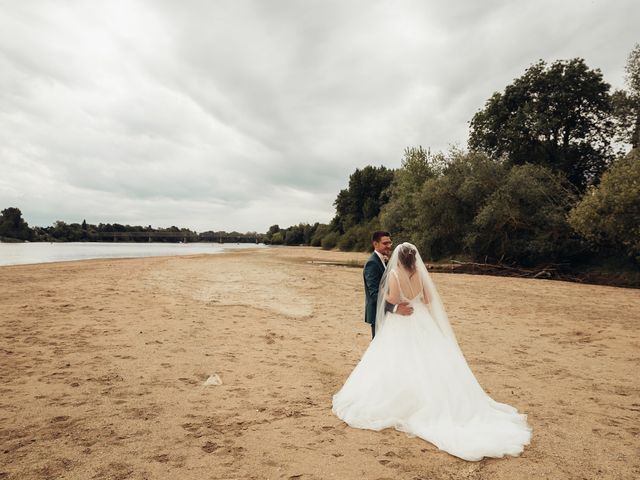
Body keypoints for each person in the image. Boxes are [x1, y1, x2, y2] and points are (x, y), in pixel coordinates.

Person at [334, 242, 532, 461]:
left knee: (397, 359)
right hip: (420, 317)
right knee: (429, 359)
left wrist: (387, 294)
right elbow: (428, 300)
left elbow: (391, 300)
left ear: (399, 258)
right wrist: (415, 299)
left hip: (402, 320)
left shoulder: (394, 274)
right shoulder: (420, 273)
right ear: (414, 258)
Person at [363, 231, 412, 339]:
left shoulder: (385, 260)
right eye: (385, 243)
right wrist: (395, 308)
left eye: (390, 243)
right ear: (375, 244)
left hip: (388, 314)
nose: (389, 246)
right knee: (379, 348)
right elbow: (374, 294)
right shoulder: (372, 263)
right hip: (378, 314)